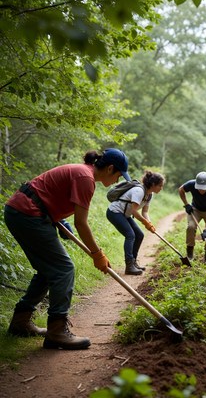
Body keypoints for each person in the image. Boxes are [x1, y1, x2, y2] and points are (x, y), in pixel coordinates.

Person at [4, 148, 131, 350]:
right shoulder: (85, 178)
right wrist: (97, 254)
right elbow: (82, 223)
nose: (117, 181)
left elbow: (50, 192)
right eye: (118, 175)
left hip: (25, 211)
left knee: (49, 270)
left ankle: (21, 322)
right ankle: (57, 331)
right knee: (63, 269)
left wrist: (60, 219)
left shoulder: (82, 173)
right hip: (27, 214)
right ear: (110, 168)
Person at [106, 171, 164, 275]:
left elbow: (144, 212)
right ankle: (129, 266)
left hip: (125, 214)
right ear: (153, 184)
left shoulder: (149, 195)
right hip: (115, 212)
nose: (161, 188)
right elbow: (134, 211)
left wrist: (149, 224)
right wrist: (145, 222)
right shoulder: (139, 191)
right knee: (130, 235)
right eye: (160, 185)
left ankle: (133, 262)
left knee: (140, 235)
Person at [178, 171, 206, 263]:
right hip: (195, 210)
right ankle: (190, 254)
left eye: (203, 188)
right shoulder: (191, 184)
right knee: (191, 227)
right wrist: (186, 204)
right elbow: (181, 190)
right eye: (199, 188)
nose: (201, 190)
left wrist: (205, 230)